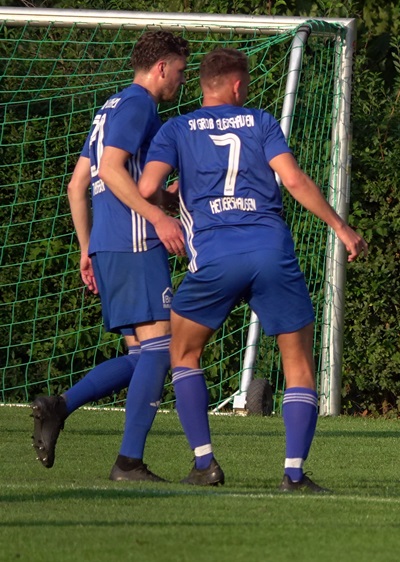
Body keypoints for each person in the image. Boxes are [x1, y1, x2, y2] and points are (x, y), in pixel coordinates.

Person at [139, 48, 368, 491]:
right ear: (238, 84)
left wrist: (173, 198)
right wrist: (341, 227)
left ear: (202, 84)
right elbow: (294, 180)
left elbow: (147, 188)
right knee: (298, 364)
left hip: (215, 256)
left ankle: (205, 463)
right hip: (270, 251)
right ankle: (294, 474)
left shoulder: (177, 128)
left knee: (183, 353)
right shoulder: (261, 122)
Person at [32, 31, 189, 481]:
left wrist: (88, 248)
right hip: (135, 241)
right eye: (179, 72)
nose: (181, 81)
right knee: (161, 349)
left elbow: (77, 185)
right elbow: (111, 170)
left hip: (108, 243)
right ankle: (128, 462)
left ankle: (59, 406)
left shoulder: (110, 108)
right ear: (161, 67)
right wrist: (157, 217)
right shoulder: (139, 105)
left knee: (142, 357)